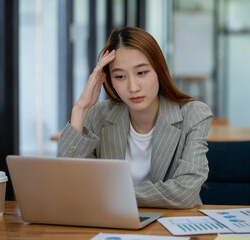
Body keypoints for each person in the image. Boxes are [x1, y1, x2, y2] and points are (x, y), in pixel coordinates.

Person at [58, 27, 212, 209]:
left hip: (174, 226)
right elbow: (67, 184)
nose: (133, 87)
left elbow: (184, 192)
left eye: (141, 73)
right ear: (110, 80)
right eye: (120, 76)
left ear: (159, 71)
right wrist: (81, 109)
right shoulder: (98, 115)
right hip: (113, 224)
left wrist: (113, 194)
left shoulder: (194, 114)